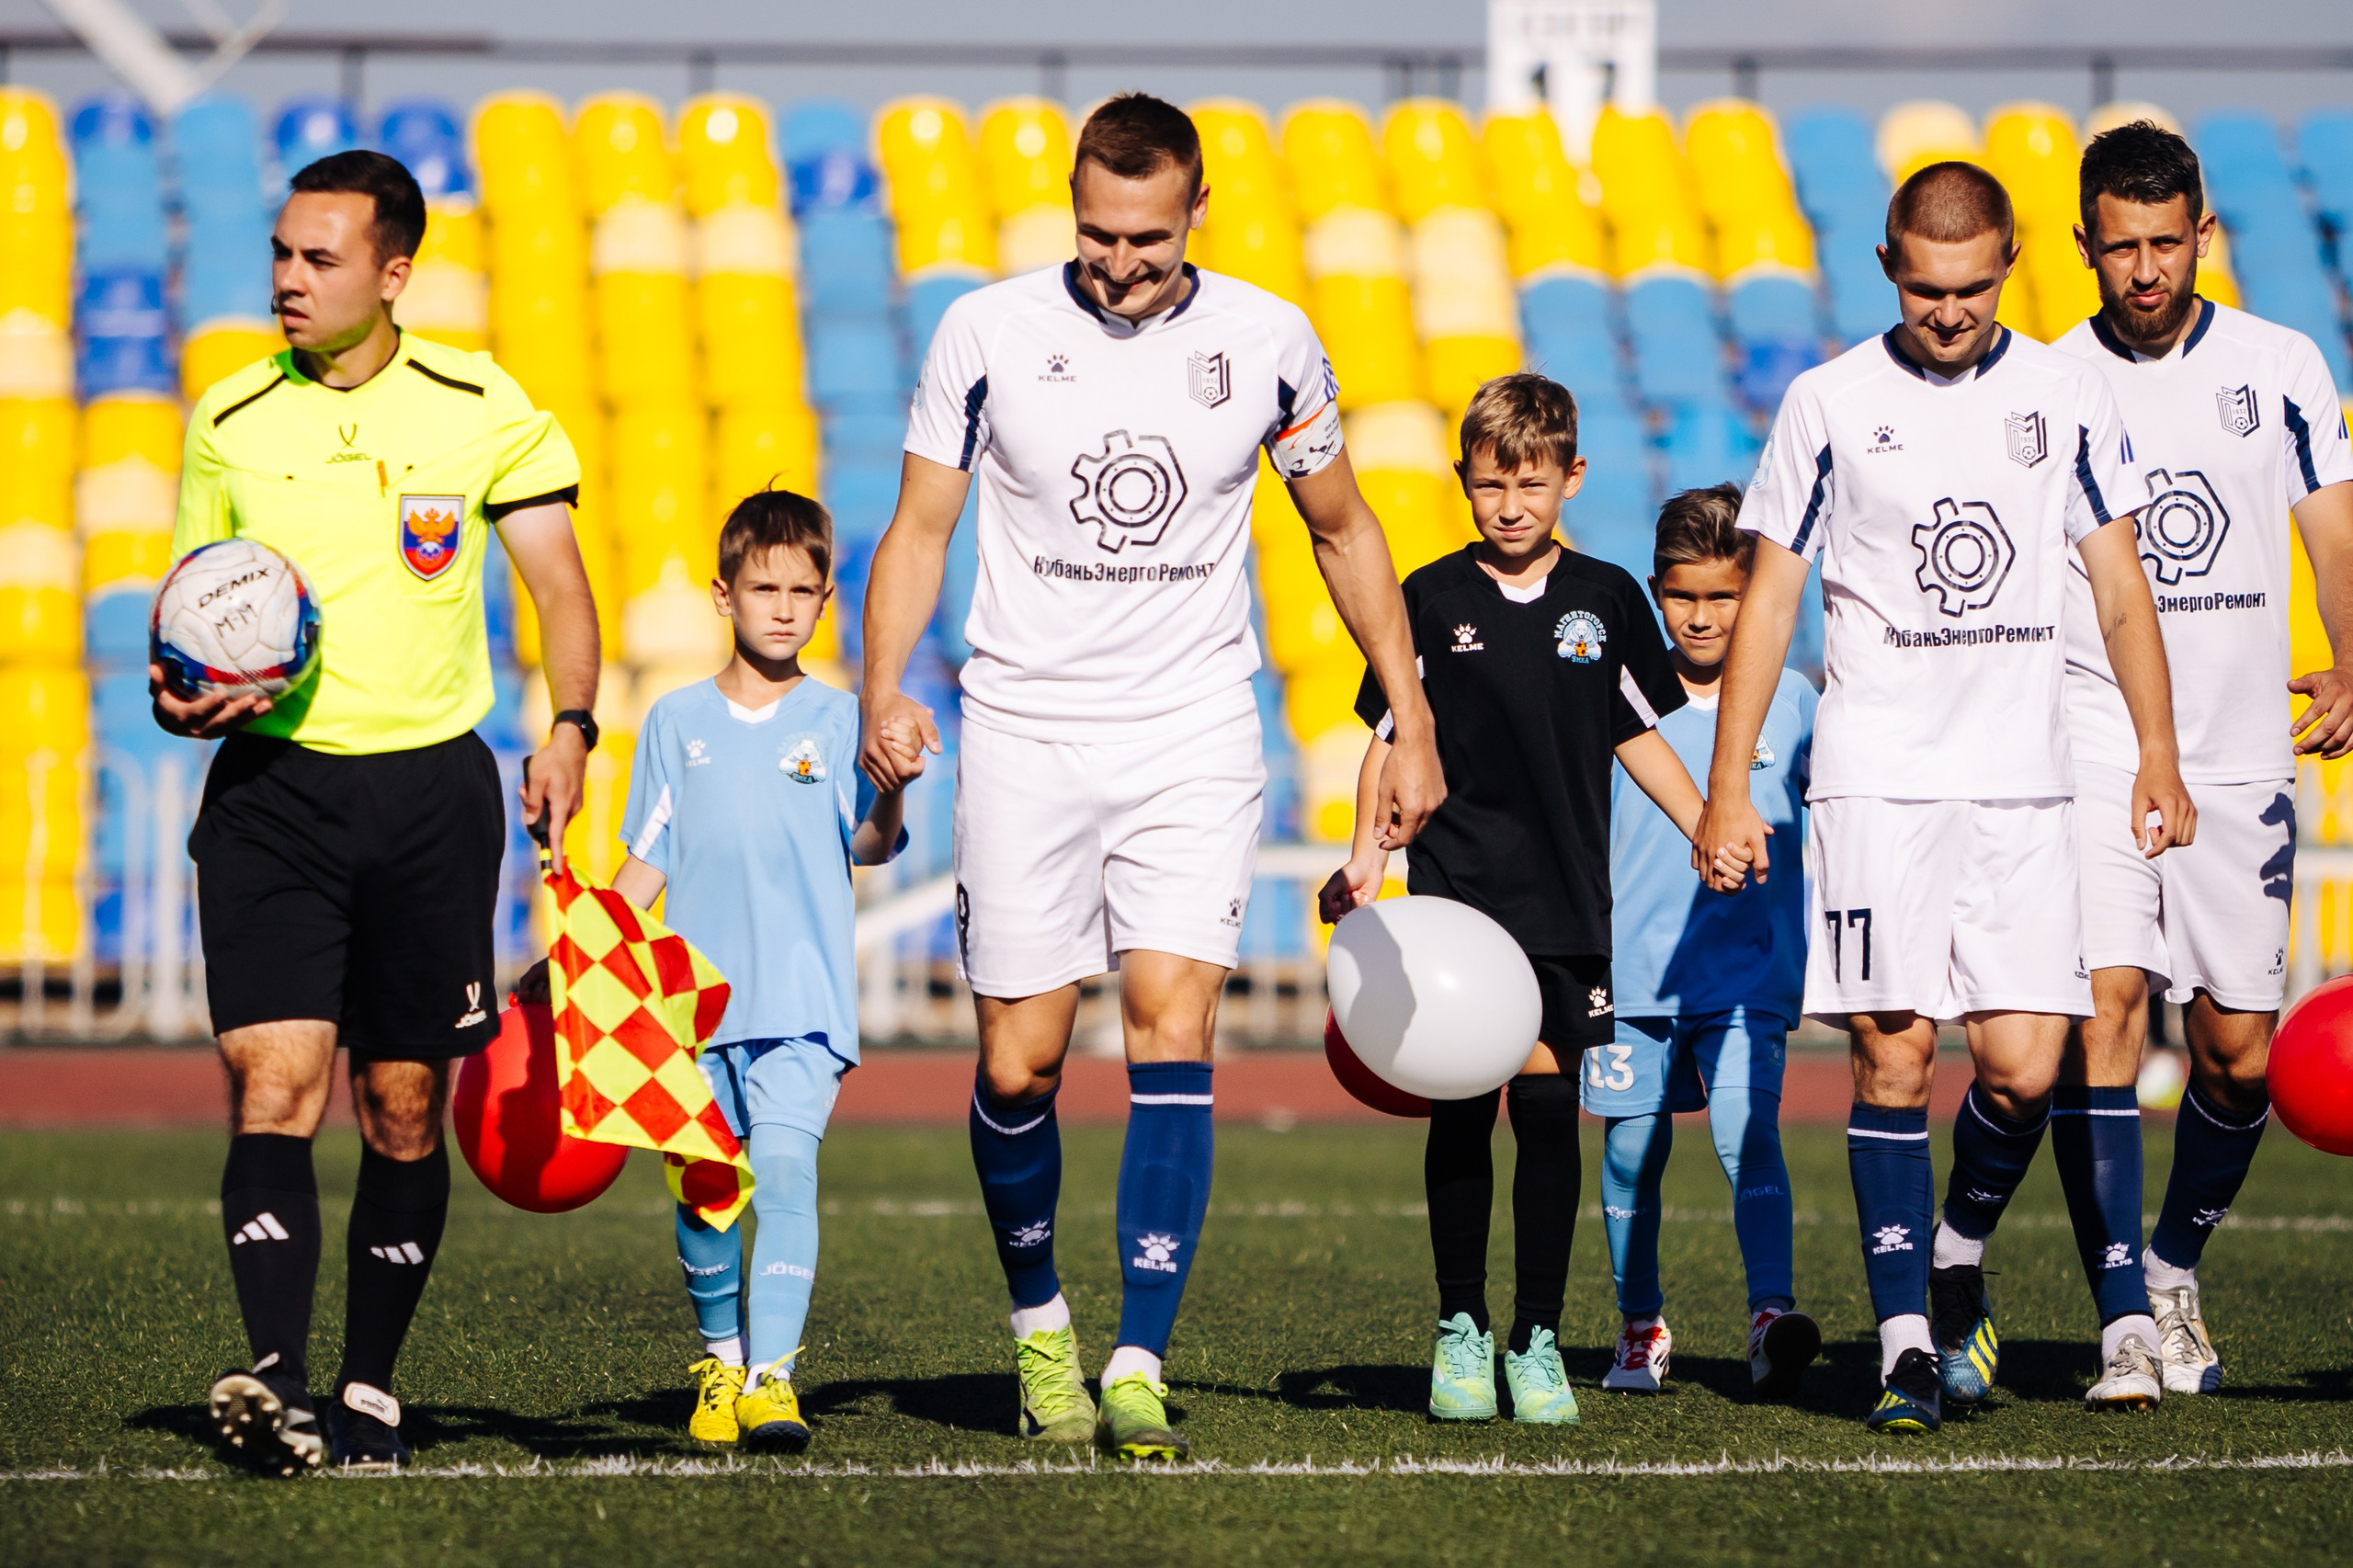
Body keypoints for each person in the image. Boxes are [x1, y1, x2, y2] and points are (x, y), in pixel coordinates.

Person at [858, 93, 1445, 1461]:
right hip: (1024, 728)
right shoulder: (986, 333)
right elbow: (920, 527)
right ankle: (1040, 1327)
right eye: (1098, 234)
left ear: (1197, 215)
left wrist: (1411, 713)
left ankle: (1136, 1359)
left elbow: (1344, 529)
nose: (1120, 262)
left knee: (1171, 1028)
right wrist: (884, 687)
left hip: (1192, 731)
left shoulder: (1269, 341)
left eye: (1148, 238)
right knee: (1020, 1061)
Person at [1695, 161, 2195, 1435]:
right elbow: (1769, 598)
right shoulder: (1827, 401)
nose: (1950, 311)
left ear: (2011, 262)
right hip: (1878, 785)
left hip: (2025, 785)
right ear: (1887, 268)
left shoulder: (2064, 394)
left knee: (2024, 1068)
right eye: (1925, 288)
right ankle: (1906, 1346)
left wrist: (2156, 749)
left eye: (1971, 287)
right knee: (1895, 1051)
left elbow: (2121, 585)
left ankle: (1955, 1245)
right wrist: (1729, 785)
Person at [165, 151, 601, 1472]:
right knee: (274, 1079)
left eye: (320, 258)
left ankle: (368, 1387)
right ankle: (277, 1380)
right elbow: (191, 611)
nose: (288, 280)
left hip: (429, 795)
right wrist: (182, 697)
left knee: (403, 1105)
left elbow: (559, 585)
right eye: (281, 254)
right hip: (273, 793)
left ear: (393, 271)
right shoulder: (229, 416)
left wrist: (571, 725)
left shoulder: (481, 402)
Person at [1321, 375, 1730, 1426]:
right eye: (1490, 484)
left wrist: (1707, 823)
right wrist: (1366, 858)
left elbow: (1637, 732)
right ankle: (1460, 1328)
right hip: (1455, 902)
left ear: (1571, 478)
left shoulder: (1607, 597)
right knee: (1463, 1108)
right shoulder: (1426, 597)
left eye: (1531, 483)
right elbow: (1385, 742)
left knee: (1548, 1112)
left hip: (1564, 901)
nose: (1510, 505)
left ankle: (1536, 1337)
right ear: (1462, 479)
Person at [2050, 120, 2353, 1396]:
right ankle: (2125, 1311)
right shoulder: (2048, 382)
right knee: (2107, 1009)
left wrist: (2350, 654)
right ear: (2084, 244)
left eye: (2167, 243)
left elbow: (2333, 531)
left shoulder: (2282, 365)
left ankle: (2174, 1262)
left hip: (2240, 756)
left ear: (2204, 235)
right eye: (2122, 246)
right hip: (2097, 741)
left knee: (2236, 1052)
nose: (2146, 269)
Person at [599, 490, 910, 1452]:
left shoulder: (842, 717)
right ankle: (722, 1363)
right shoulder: (673, 720)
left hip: (802, 1003)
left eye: (802, 591)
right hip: (692, 1008)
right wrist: (586, 950)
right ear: (723, 594)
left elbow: (867, 843)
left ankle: (773, 1379)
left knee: (782, 1175)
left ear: (825, 601)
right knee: (705, 1193)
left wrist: (892, 796)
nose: (783, 608)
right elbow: (646, 859)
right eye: (764, 588)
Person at [1583, 483, 1821, 1402]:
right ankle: (1639, 1322)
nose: (1701, 614)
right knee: (1630, 1151)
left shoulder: (1794, 701)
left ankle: (1769, 1316)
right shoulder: (1615, 697)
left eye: (1724, 595)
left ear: (1755, 594)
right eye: (1682, 594)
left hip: (1745, 971)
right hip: (1628, 972)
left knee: (1745, 1132)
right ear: (1655, 591)